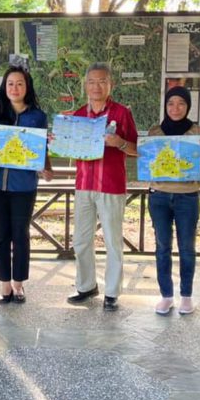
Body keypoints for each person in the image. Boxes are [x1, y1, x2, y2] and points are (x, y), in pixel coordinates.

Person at [0, 66, 52, 304]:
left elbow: (41, 148)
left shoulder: (37, 116)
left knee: (20, 235)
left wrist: (47, 168)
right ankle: (4, 285)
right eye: (10, 84)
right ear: (4, 87)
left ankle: (19, 284)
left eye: (19, 83)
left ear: (27, 87)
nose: (14, 88)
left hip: (24, 186)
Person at [66, 62, 138, 311]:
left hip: (111, 186)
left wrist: (119, 143)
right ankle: (86, 286)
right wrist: (61, 142)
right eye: (92, 81)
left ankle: (112, 292)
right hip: (84, 184)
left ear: (111, 84)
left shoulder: (121, 113)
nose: (97, 86)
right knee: (82, 240)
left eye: (102, 81)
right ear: (85, 85)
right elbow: (69, 149)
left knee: (112, 241)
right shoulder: (77, 116)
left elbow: (135, 149)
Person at [148, 86, 200, 315]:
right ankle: (166, 295)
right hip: (159, 196)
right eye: (171, 104)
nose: (175, 108)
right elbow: (149, 165)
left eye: (181, 104)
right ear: (165, 106)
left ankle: (186, 296)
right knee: (162, 247)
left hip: (187, 197)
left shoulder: (197, 131)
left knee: (187, 248)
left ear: (188, 106)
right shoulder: (155, 132)